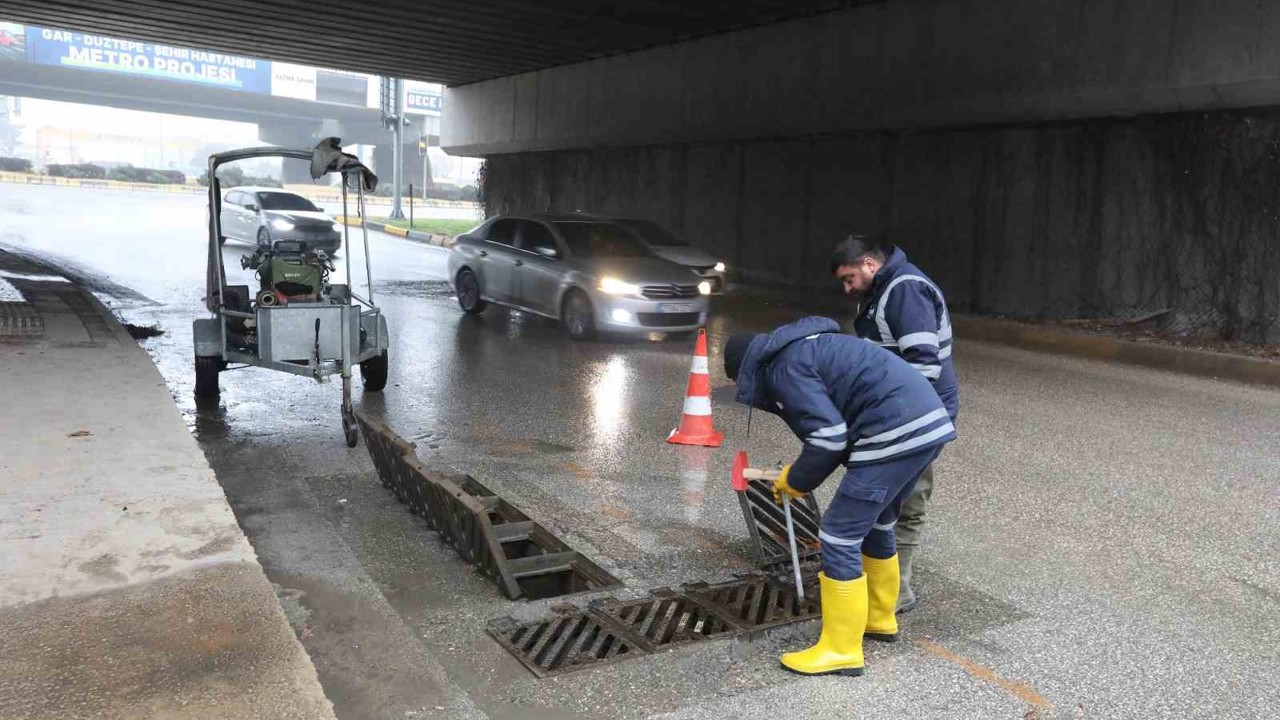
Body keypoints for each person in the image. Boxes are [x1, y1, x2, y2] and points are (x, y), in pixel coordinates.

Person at [723, 317, 955, 677]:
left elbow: (828, 438)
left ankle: (841, 649)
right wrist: (804, 474)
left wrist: (796, 480)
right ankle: (879, 617)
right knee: (879, 522)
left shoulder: (785, 368)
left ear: (748, 371)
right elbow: (838, 427)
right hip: (926, 426)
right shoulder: (807, 349)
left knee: (838, 535)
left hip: (892, 432)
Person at [830, 235, 959, 613]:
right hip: (902, 414)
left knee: (905, 499)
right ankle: (882, 585)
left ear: (870, 264)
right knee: (890, 498)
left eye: (850, 278)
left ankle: (894, 592)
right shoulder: (881, 292)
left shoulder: (905, 291)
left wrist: (892, 422)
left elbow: (923, 366)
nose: (847, 288)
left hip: (918, 415)